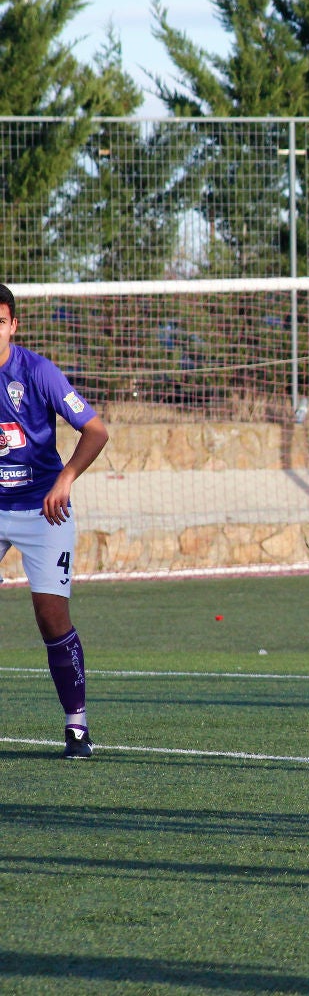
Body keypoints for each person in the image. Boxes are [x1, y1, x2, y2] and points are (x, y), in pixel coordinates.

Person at [0, 285, 110, 759]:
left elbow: (96, 430)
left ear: (13, 325)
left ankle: (77, 726)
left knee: (50, 616)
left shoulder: (37, 372)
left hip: (43, 508)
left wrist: (65, 479)